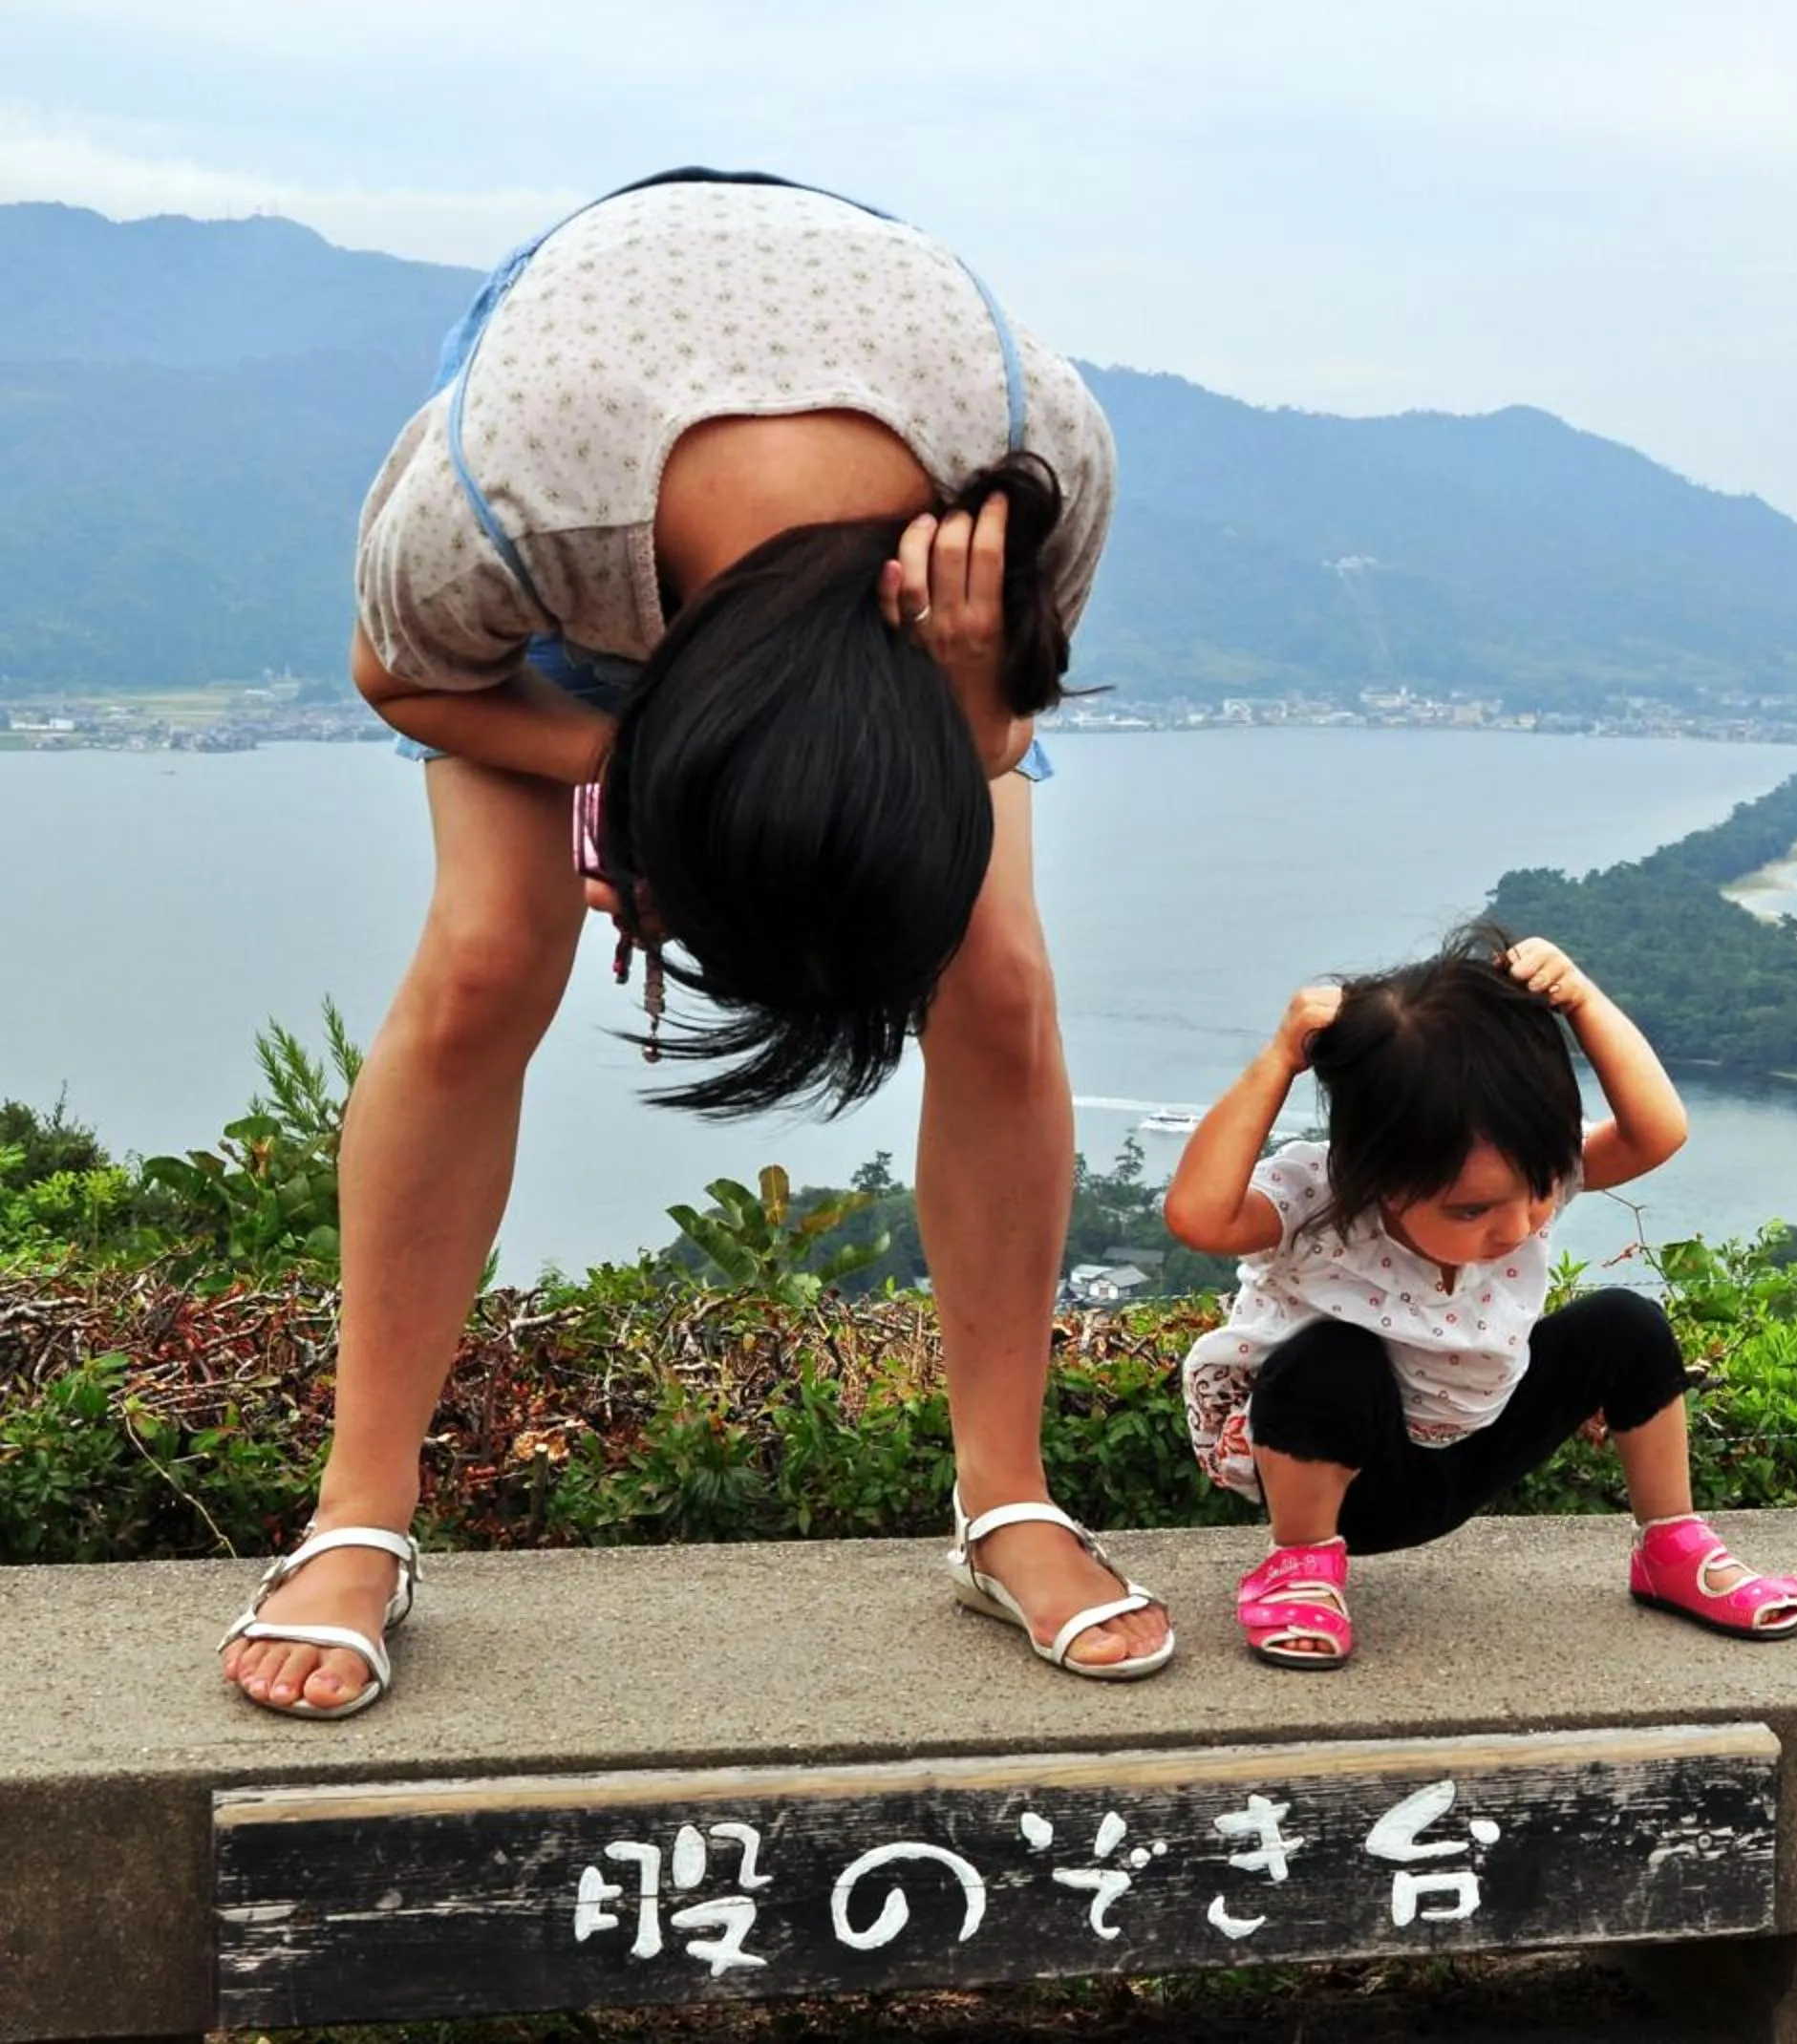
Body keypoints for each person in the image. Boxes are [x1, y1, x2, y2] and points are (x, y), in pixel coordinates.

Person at [219, 170, 1172, 1719]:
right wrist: (630, 787)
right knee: (482, 961)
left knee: (999, 980)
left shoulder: (1030, 465)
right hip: (598, 523)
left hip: (909, 627)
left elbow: (999, 737)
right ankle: (356, 1515)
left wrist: (976, 707)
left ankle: (1008, 1500)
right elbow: (397, 676)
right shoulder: (505, 506)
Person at [1163, 926, 1797, 1668]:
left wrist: (1582, 1001)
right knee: (1330, 1360)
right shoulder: (1321, 1202)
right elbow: (1199, 1215)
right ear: (1377, 1176)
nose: (1518, 1225)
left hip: (1478, 1444)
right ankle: (1300, 1567)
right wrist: (1280, 1057)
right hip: (1351, 1479)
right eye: (1471, 1212)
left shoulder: (1517, 1176)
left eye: (1538, 1193)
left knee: (1626, 1326)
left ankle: (1670, 1545)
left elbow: (1657, 1131)